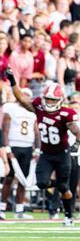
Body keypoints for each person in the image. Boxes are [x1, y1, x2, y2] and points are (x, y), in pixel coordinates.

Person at [5, 69, 80, 226]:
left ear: (60, 100)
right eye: (47, 99)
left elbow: (77, 132)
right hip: (46, 154)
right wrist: (13, 80)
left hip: (62, 154)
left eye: (53, 100)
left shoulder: (66, 113)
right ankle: (61, 184)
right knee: (41, 184)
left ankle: (68, 215)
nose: (50, 102)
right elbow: (21, 98)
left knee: (64, 189)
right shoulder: (39, 107)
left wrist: (76, 144)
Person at [0, 88, 39, 219]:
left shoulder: (32, 112)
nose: (25, 97)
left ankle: (19, 210)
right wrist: (7, 147)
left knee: (23, 179)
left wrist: (37, 149)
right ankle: (2, 209)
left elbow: (36, 131)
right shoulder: (10, 108)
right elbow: (5, 129)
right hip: (14, 145)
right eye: (23, 95)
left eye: (27, 95)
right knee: (9, 178)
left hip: (27, 147)